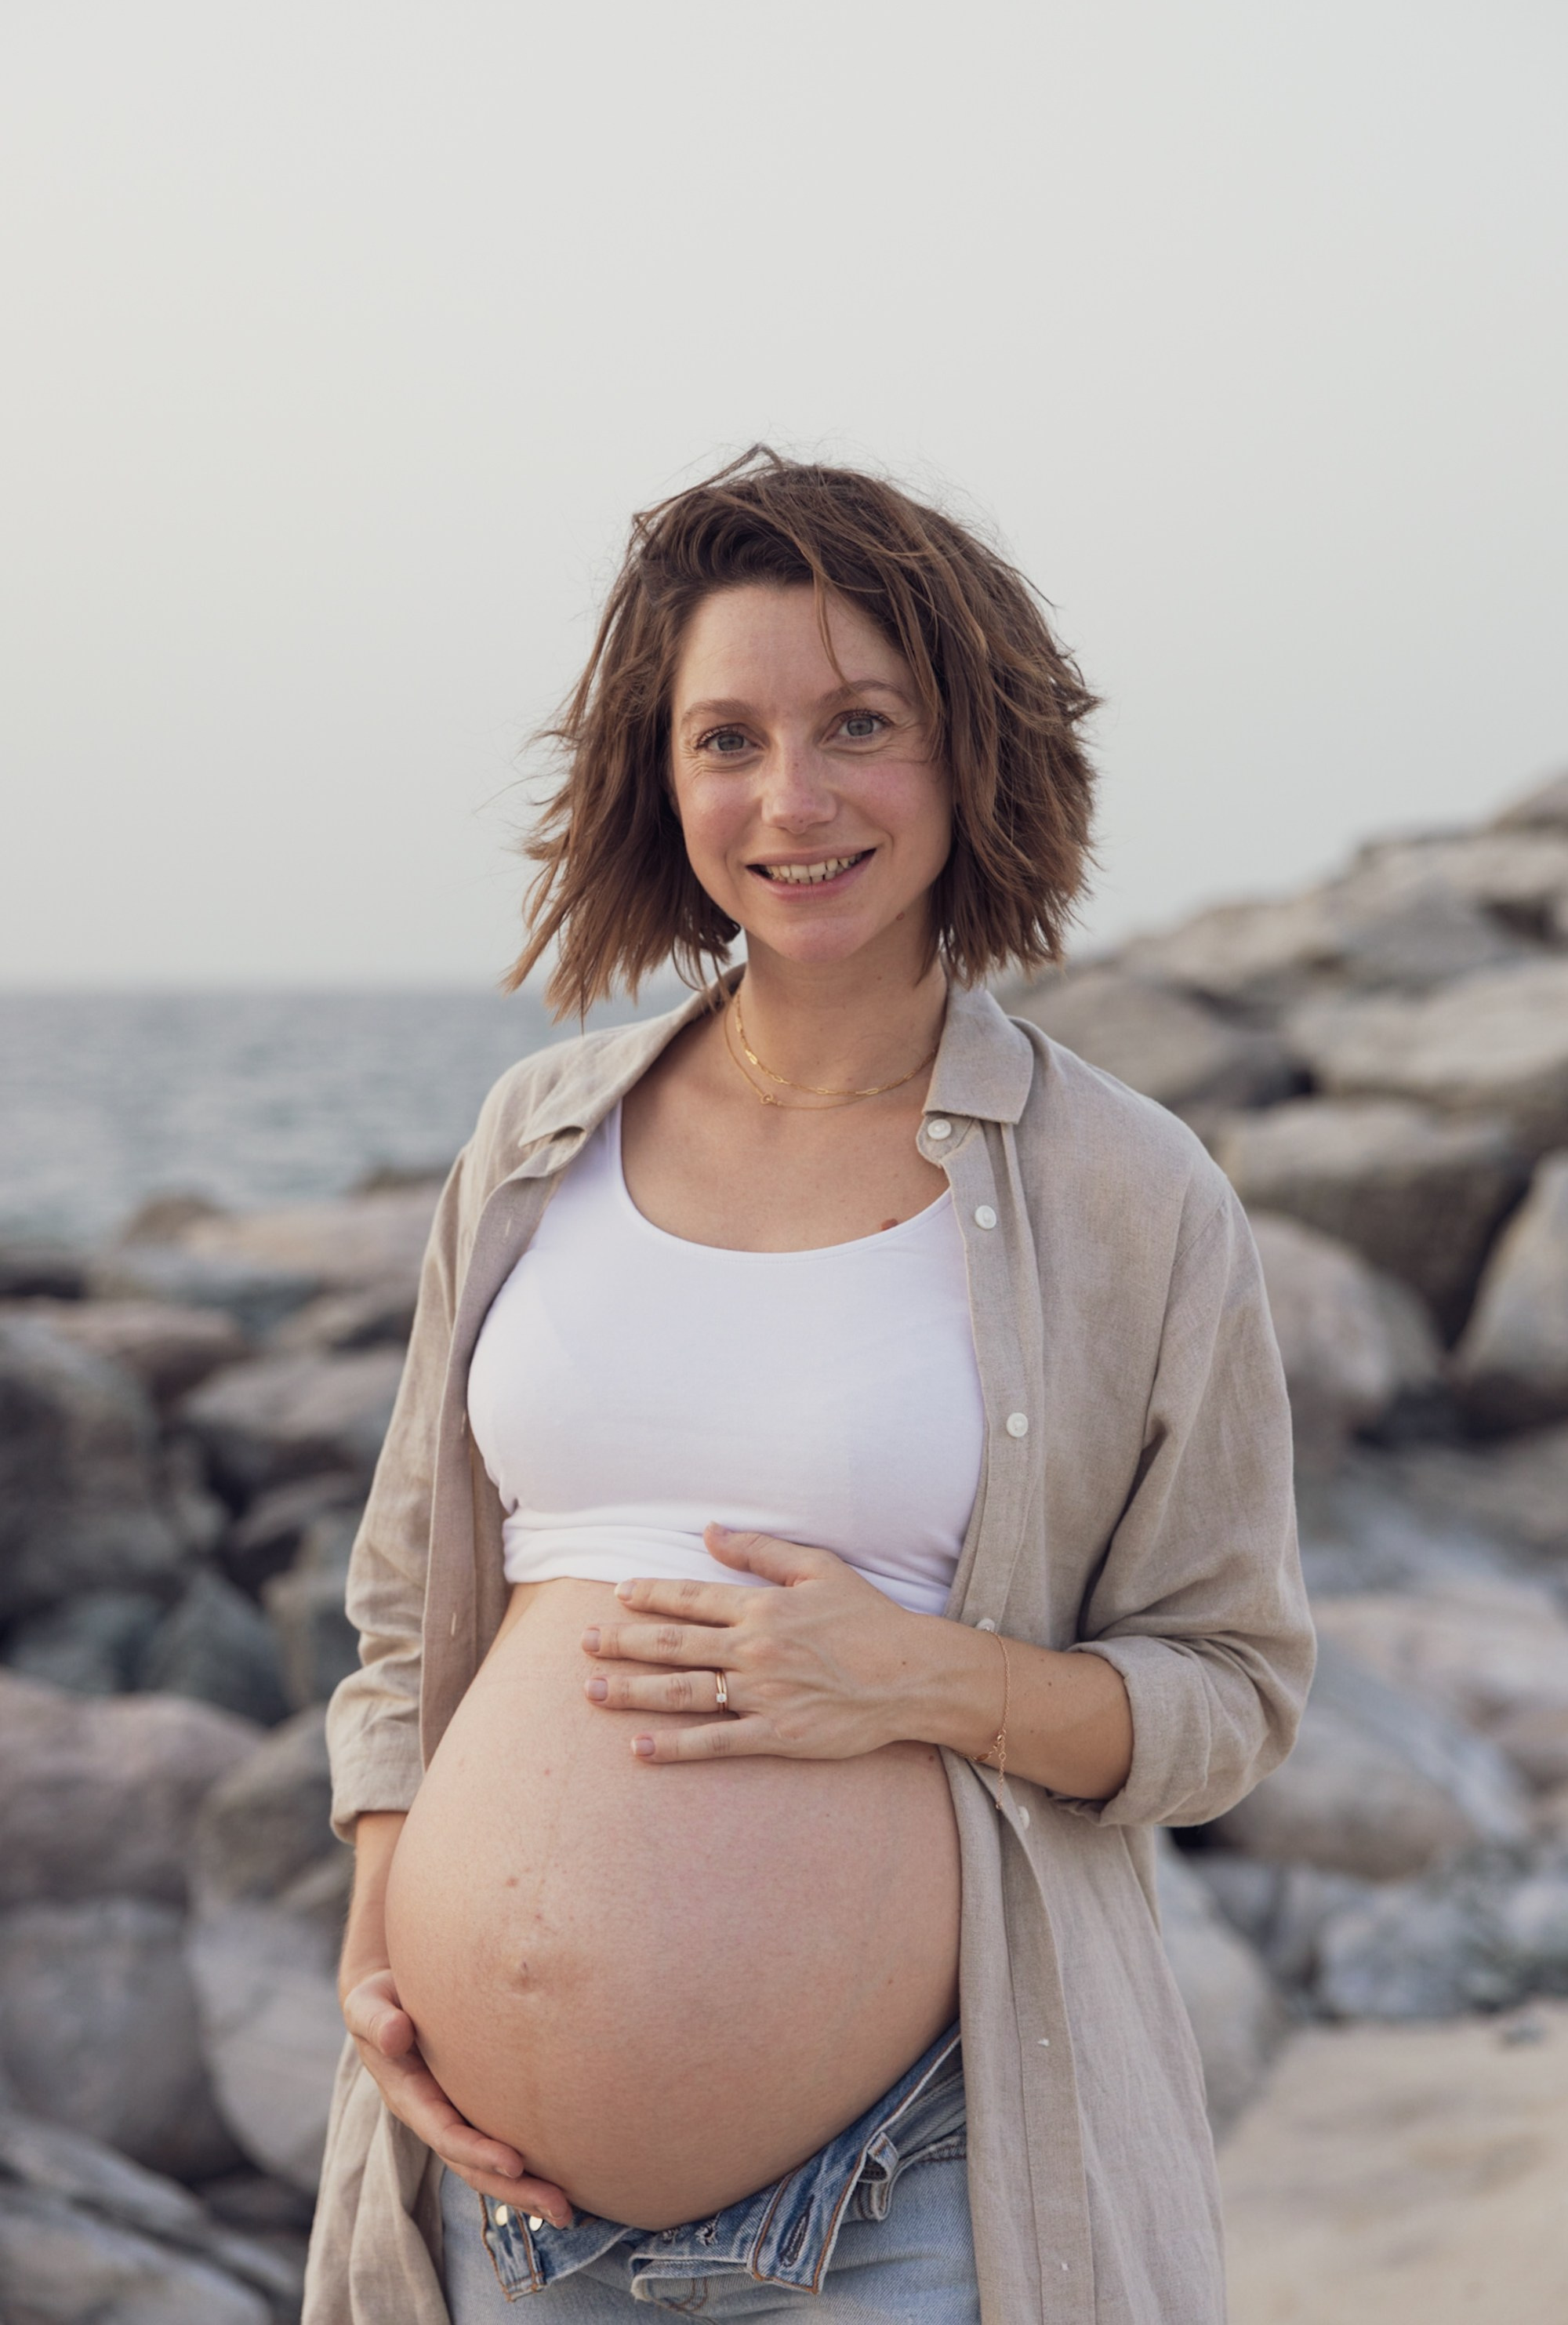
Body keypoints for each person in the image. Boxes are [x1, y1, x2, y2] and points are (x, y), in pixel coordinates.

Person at [303, 449, 1314, 2325]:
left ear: (971, 757)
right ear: (655, 776)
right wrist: (383, 1921)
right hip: (494, 2207)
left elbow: (1231, 1694)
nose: (792, 799)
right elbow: (400, 1612)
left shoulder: (1126, 1192)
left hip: (909, 2192)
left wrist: (918, 1676)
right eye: (726, 738)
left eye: (861, 724)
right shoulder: (534, 1143)